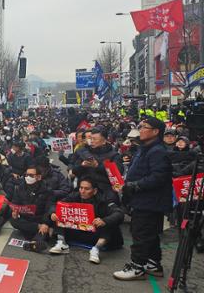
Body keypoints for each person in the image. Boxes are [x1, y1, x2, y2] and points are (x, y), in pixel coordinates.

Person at [114, 117, 173, 280]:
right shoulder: (144, 148)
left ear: (155, 132)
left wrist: (134, 185)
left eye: (144, 127)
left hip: (150, 201)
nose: (140, 129)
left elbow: (158, 177)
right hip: (142, 199)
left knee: (140, 233)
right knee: (150, 234)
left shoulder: (158, 151)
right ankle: (153, 264)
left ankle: (137, 267)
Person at [49, 177, 124, 264]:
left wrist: (104, 221)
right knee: (59, 215)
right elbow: (57, 205)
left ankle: (96, 249)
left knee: (109, 223)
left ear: (95, 191)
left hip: (96, 233)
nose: (82, 191)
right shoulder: (74, 196)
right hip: (77, 230)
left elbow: (119, 213)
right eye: (81, 188)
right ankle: (62, 243)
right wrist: (53, 213)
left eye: (87, 189)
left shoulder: (104, 199)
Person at [9, 166, 55, 252]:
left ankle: (35, 243)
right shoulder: (20, 188)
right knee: (13, 220)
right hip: (26, 218)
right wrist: (14, 211)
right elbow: (15, 202)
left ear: (39, 177)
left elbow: (49, 208)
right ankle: (40, 230)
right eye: (26, 175)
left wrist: (45, 223)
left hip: (39, 218)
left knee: (46, 226)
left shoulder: (47, 190)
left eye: (31, 175)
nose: (27, 177)